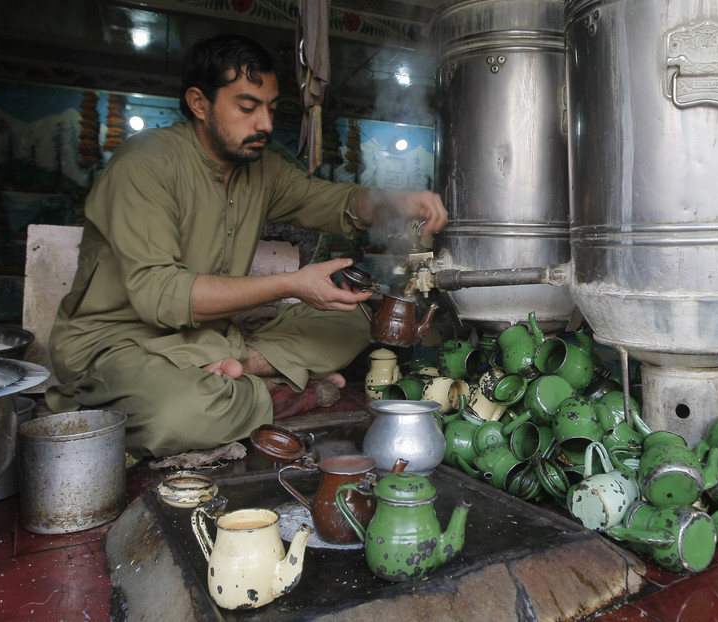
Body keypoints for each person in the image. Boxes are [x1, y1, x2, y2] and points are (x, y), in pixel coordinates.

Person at [45, 33, 447, 458]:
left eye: (271, 108)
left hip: (214, 338)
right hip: (120, 343)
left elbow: (334, 201)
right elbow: (159, 297)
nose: (266, 125)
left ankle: (246, 369)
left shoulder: (262, 168)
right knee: (176, 413)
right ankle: (276, 392)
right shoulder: (145, 164)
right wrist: (291, 284)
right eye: (247, 107)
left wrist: (397, 202)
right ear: (199, 103)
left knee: (355, 316)